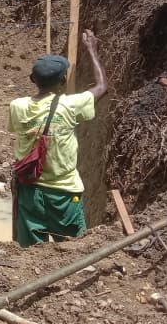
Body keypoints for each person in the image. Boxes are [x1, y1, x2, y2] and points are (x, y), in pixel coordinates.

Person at [8, 30, 108, 247]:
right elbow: (102, 88)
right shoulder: (70, 106)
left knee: (31, 253)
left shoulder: (17, 106)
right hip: (64, 192)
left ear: (32, 79)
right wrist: (92, 50)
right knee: (73, 247)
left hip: (30, 190)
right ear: (64, 79)